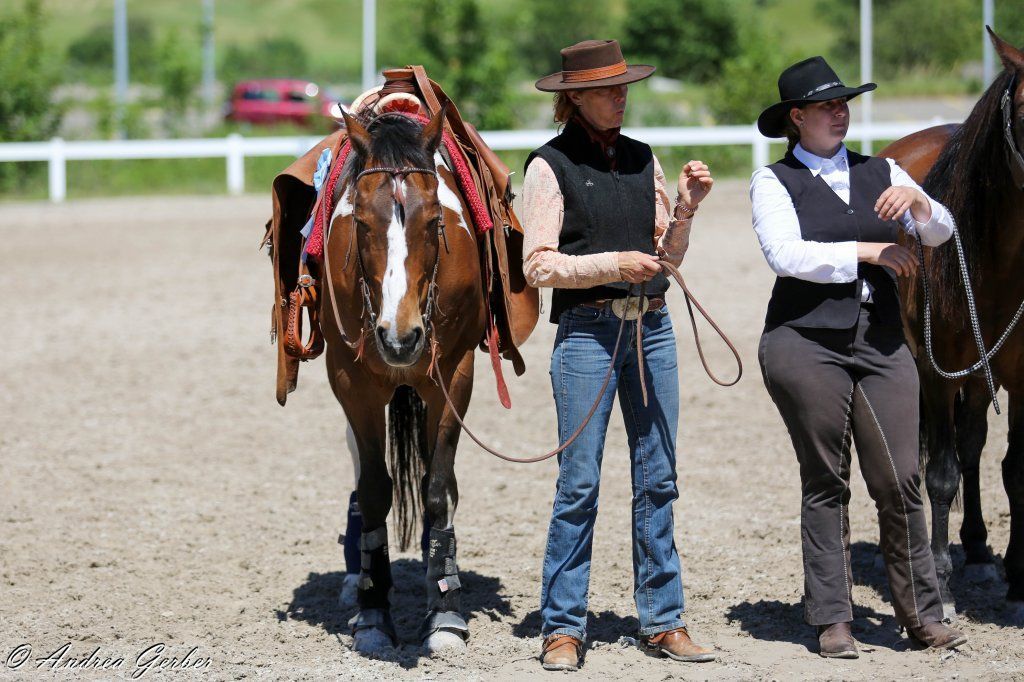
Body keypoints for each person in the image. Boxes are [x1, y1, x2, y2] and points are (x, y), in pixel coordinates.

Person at [751, 56, 968, 658]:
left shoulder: (885, 169)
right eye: (827, 106)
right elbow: (786, 255)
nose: (840, 112)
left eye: (844, 103)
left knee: (901, 477)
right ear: (797, 118)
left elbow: (942, 232)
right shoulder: (773, 181)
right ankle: (832, 618)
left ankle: (922, 612)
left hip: (880, 340)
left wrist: (921, 208)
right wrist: (869, 252)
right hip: (804, 341)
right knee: (826, 480)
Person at [522, 39, 715, 672]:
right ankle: (562, 626)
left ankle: (663, 620)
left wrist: (685, 207)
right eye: (608, 89)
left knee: (658, 479)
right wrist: (613, 264)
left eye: (623, 86)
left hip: (652, 331)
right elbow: (538, 265)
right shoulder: (547, 167)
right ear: (574, 97)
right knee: (579, 484)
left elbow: (667, 255)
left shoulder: (644, 158)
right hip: (586, 334)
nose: (621, 96)